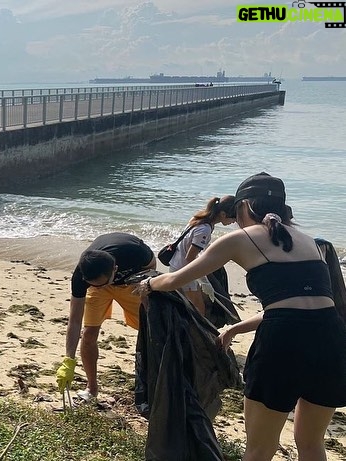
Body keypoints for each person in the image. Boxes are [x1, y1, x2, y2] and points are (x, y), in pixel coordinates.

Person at [137, 172, 346, 461]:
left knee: (260, 449)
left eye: (236, 213)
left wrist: (147, 284)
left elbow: (175, 279)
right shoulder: (312, 243)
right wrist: (236, 328)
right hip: (332, 340)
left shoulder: (239, 239)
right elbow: (300, 307)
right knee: (311, 444)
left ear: (245, 206)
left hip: (282, 343)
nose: (235, 220)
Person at [56, 232, 156, 401]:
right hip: (100, 283)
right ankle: (92, 388)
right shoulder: (82, 277)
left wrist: (144, 286)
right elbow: (74, 321)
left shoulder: (135, 252)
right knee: (88, 334)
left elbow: (151, 265)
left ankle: (152, 383)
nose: (99, 287)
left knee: (150, 330)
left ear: (115, 270)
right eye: (92, 283)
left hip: (131, 283)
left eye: (101, 283)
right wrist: (69, 359)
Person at [168, 195, 236, 315]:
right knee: (199, 310)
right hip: (184, 271)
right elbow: (190, 257)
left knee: (181, 306)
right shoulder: (204, 229)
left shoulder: (200, 218)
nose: (234, 221)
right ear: (223, 214)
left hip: (176, 264)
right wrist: (204, 281)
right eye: (233, 218)